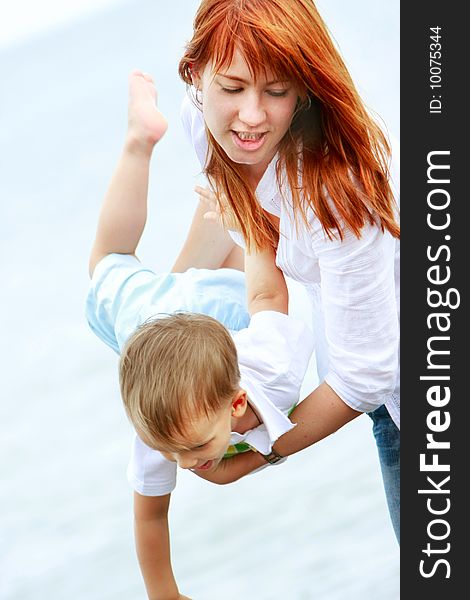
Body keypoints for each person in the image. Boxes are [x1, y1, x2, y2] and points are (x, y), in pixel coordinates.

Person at [173, 0, 400, 541]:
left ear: (303, 93)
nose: (251, 117)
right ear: (195, 73)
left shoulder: (334, 194)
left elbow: (365, 375)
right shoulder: (206, 128)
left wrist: (251, 458)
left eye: (276, 92)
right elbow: (256, 246)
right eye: (231, 88)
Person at [86, 70, 315, 600]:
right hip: (177, 316)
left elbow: (267, 298)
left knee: (111, 258)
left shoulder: (269, 364)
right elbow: (148, 511)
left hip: (201, 310)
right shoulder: (161, 430)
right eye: (176, 451)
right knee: (112, 261)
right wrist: (164, 593)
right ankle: (170, 160)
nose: (187, 463)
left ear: (239, 401)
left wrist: (255, 225)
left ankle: (141, 141)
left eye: (191, 447)